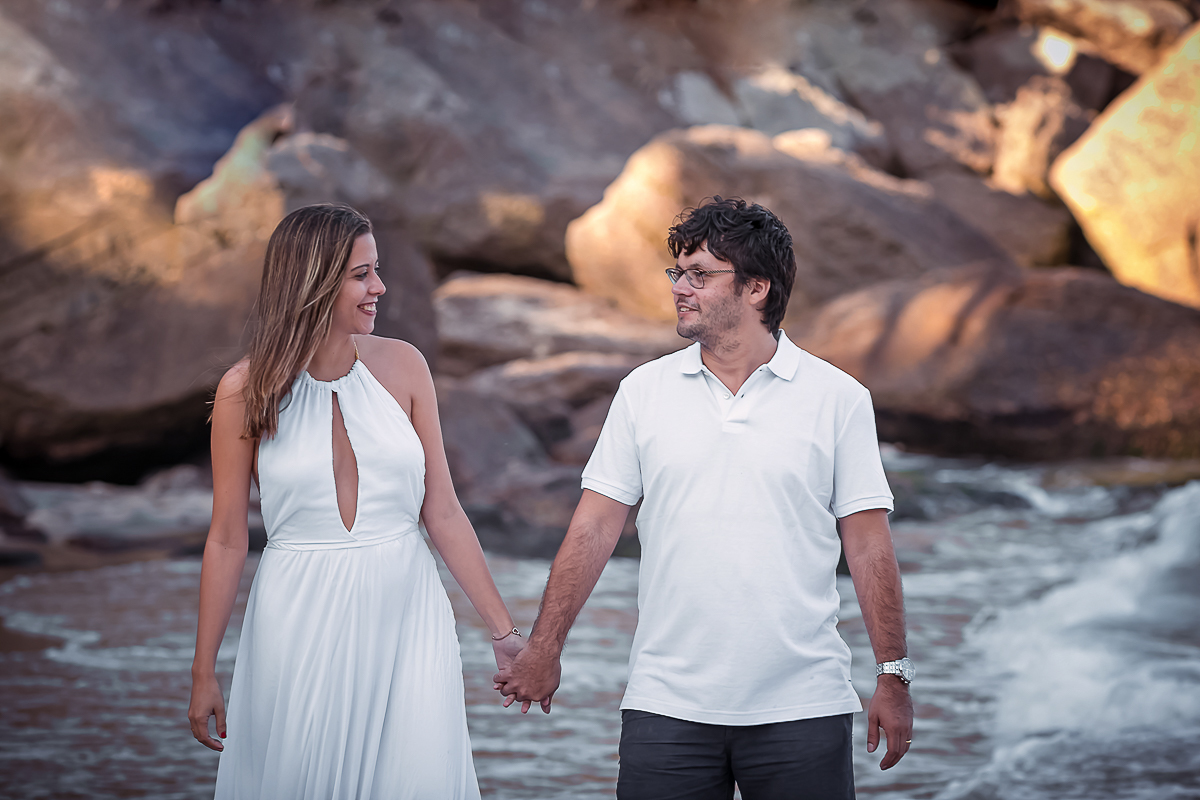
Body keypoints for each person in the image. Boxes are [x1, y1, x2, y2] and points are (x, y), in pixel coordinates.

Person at [495, 197, 914, 799]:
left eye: (701, 274)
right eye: (678, 273)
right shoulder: (644, 391)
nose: (680, 288)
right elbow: (594, 529)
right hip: (666, 705)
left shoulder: (838, 399)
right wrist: (544, 647)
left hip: (801, 703)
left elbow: (870, 546)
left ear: (756, 289)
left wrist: (892, 676)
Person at [188, 203, 523, 799]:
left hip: (407, 610)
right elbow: (226, 537)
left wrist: (503, 633)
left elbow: (441, 510)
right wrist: (203, 669)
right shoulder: (246, 390)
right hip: (296, 616)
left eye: (377, 270)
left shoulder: (404, 366)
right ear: (315, 281)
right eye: (361, 274)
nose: (380, 287)